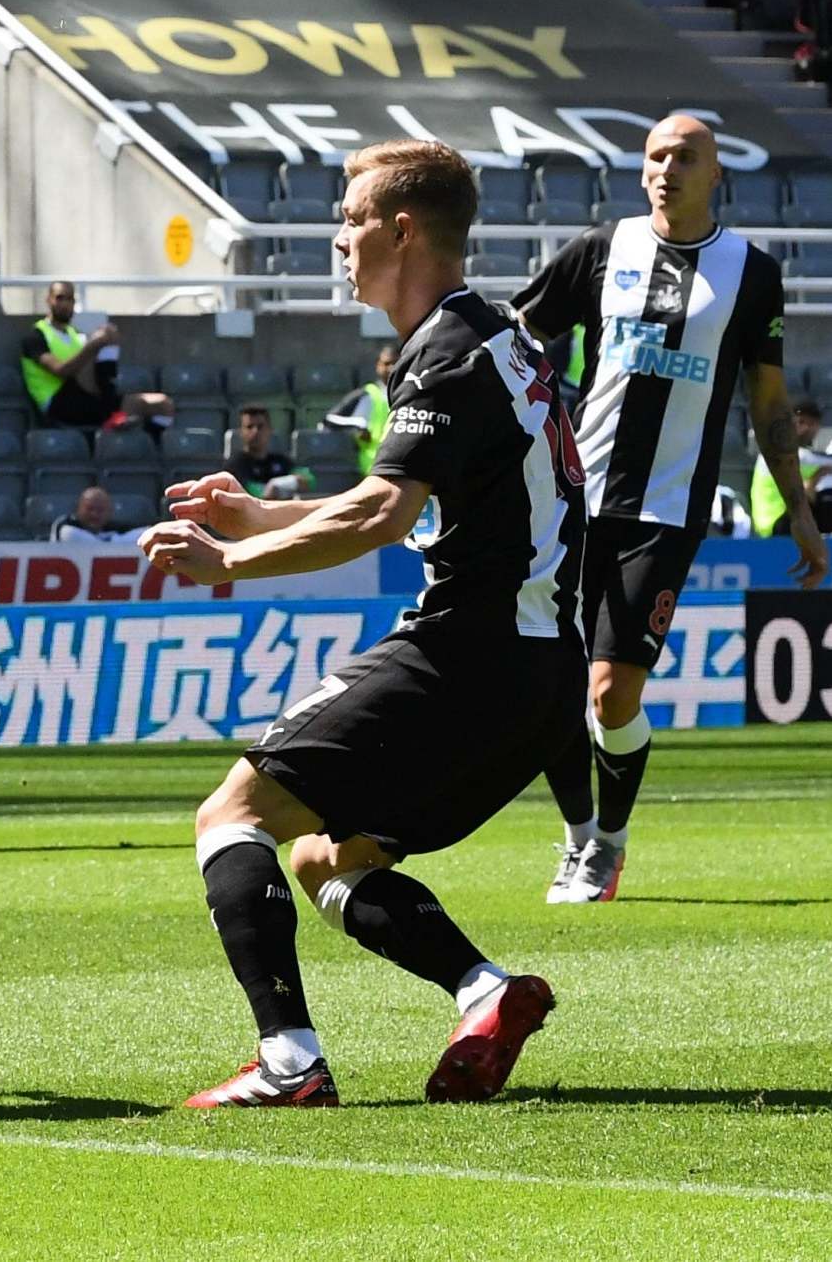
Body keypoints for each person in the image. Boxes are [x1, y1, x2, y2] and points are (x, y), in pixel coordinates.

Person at [142, 137, 580, 1108]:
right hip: (539, 675)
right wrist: (260, 515)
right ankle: (485, 993)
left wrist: (233, 561)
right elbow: (411, 494)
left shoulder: (446, 354)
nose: (337, 241)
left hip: (468, 652)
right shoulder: (498, 341)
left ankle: (289, 1062)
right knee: (325, 854)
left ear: (400, 228)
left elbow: (379, 517)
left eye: (348, 221)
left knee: (232, 816)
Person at [515, 114, 826, 904]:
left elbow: (766, 402)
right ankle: (577, 837)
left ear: (714, 172)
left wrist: (797, 508)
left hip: (665, 507)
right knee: (550, 685)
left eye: (684, 157)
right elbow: (518, 340)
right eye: (655, 156)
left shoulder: (750, 273)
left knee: (610, 692)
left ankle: (607, 845)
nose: (666, 169)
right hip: (569, 498)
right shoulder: (597, 250)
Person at [19, 281, 173, 449]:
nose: (65, 304)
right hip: (60, 405)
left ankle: (150, 447)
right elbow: (61, 371)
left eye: (70, 299)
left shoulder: (76, 336)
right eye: (60, 298)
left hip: (92, 400)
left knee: (162, 404)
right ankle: (111, 412)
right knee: (102, 339)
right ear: (48, 300)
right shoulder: (35, 337)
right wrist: (96, 343)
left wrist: (100, 341)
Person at [749, 395, 832, 537]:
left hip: (793, 519)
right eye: (801, 422)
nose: (806, 428)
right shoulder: (774, 453)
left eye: (812, 424)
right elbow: (819, 463)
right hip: (775, 524)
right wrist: (819, 474)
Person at [323, 345, 399, 477]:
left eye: (396, 363)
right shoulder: (366, 394)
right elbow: (329, 419)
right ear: (378, 366)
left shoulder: (412, 392)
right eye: (386, 363)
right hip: (372, 469)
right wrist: (357, 425)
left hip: (402, 468)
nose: (391, 368)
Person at [224, 404, 312, 499]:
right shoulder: (235, 464)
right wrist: (271, 489)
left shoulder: (280, 460)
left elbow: (309, 480)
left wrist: (286, 483)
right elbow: (252, 492)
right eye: (250, 427)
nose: (255, 431)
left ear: (269, 430)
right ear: (241, 432)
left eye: (260, 427)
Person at [51, 483, 125, 542]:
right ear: (78, 509)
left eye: (100, 510)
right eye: (89, 509)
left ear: (110, 512)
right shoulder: (65, 525)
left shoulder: (117, 529)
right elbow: (69, 535)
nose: (94, 514)